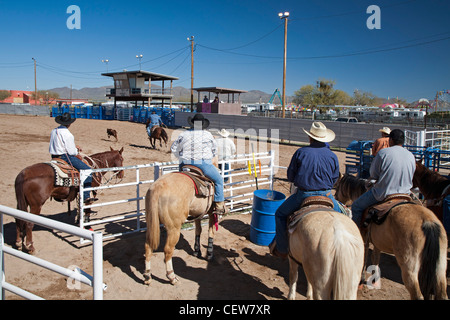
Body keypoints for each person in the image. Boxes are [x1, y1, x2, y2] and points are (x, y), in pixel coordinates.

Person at [269, 122, 341, 258]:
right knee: (346, 216)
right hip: (326, 195)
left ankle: (283, 249)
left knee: (280, 214)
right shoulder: (332, 156)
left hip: (303, 195)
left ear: (310, 137)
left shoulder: (301, 152)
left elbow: (290, 176)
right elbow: (335, 178)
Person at [351, 129, 416, 228]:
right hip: (405, 194)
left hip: (384, 193)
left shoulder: (383, 153)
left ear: (391, 140)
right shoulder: (411, 155)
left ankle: (356, 235)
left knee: (356, 206)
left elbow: (373, 175)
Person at [170, 113, 227, 215]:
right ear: (203, 125)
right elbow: (214, 151)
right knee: (219, 180)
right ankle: (219, 205)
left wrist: (181, 156)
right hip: (203, 164)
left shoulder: (183, 134)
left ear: (192, 123)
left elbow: (173, 148)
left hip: (184, 164)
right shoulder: (207, 135)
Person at [49, 112, 97, 204]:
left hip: (54, 157)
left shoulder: (54, 131)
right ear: (69, 123)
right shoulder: (68, 134)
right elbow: (72, 152)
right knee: (87, 170)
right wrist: (77, 150)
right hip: (65, 157)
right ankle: (86, 196)